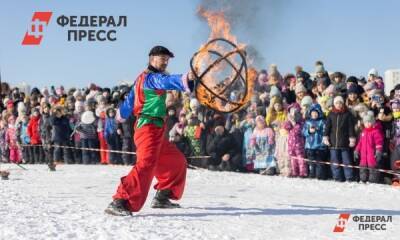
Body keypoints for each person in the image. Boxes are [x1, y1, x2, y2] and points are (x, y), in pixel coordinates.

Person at [105, 46, 195, 216]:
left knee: (176, 161)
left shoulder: (141, 79)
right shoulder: (152, 78)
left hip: (157, 129)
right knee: (146, 165)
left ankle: (162, 196)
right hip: (148, 128)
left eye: (167, 60)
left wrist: (120, 116)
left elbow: (129, 103)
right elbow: (165, 82)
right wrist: (187, 77)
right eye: (163, 58)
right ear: (152, 58)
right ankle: (120, 201)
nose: (165, 62)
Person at [323, 96, 356, 182]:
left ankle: (349, 177)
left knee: (347, 161)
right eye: (337, 103)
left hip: (344, 143)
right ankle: (337, 177)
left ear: (343, 103)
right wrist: (325, 137)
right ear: (334, 104)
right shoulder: (331, 114)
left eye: (340, 103)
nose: (339, 105)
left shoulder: (347, 114)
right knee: (335, 162)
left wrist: (352, 138)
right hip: (333, 143)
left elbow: (350, 128)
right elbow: (327, 127)